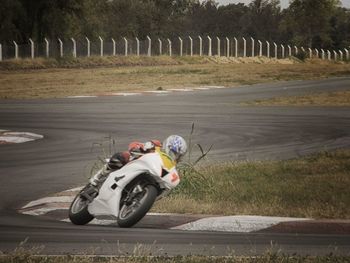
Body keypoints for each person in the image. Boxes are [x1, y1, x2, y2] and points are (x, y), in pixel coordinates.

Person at [90, 135, 187, 186]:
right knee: (122, 156)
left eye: (177, 155)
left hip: (148, 175)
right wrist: (141, 147)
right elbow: (134, 145)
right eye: (174, 153)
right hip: (133, 166)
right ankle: (99, 175)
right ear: (167, 146)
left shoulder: (172, 167)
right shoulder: (156, 145)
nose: (174, 156)